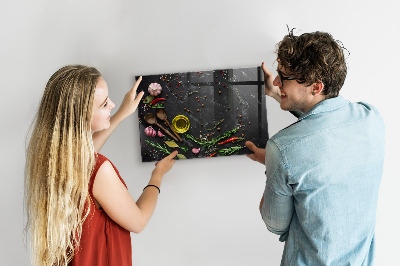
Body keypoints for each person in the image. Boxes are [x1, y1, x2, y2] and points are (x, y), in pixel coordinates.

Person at [246, 31, 385, 265]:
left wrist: (274, 163)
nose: (277, 81)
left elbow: (275, 224)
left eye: (283, 77)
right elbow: (325, 123)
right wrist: (276, 93)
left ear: (316, 86)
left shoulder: (282, 149)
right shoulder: (371, 118)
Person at [24, 65, 178, 266]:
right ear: (82, 117)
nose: (113, 104)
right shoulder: (100, 170)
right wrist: (157, 176)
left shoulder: (53, 159)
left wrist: (122, 113)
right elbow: (138, 221)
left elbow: (85, 157)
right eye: (105, 104)